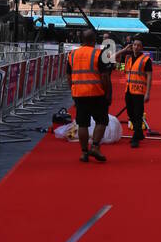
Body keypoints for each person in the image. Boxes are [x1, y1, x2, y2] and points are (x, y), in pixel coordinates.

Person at [65, 28, 112, 163]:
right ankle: (95, 147)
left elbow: (68, 76)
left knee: (83, 124)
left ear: (82, 40)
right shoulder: (98, 54)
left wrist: (73, 90)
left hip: (79, 94)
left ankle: (84, 153)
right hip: (96, 93)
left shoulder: (72, 55)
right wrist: (107, 93)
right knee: (102, 121)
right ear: (94, 40)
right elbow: (104, 76)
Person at [117, 37, 152, 148]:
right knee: (130, 114)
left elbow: (149, 77)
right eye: (134, 45)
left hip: (139, 92)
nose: (135, 47)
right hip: (128, 90)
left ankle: (135, 138)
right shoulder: (127, 58)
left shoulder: (146, 60)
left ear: (142, 47)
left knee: (137, 115)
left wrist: (147, 93)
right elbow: (111, 58)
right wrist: (123, 50)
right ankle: (139, 133)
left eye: (138, 45)